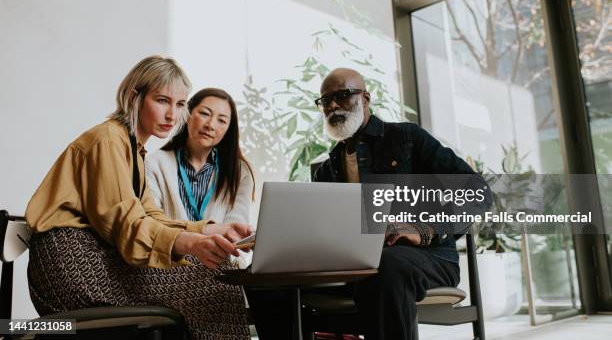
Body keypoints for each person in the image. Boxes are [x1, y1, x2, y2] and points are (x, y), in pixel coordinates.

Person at [247, 67, 490, 340]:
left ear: (365, 98)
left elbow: (477, 191)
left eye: (343, 95)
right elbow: (322, 230)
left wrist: (424, 230)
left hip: (426, 259)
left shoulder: (408, 138)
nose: (334, 105)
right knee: (264, 278)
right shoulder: (328, 169)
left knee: (384, 268)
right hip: (354, 268)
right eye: (326, 101)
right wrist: (279, 242)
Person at [25, 56, 252, 340]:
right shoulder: (108, 140)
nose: (172, 115)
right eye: (162, 101)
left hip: (92, 256)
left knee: (212, 274)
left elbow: (150, 217)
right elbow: (129, 226)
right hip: (69, 266)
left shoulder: (132, 148)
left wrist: (209, 229)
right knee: (212, 282)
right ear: (135, 97)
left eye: (180, 104)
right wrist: (192, 243)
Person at [146, 87, 255, 267]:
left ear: (229, 129)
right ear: (187, 114)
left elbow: (235, 234)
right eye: (204, 113)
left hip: (218, 266)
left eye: (222, 120)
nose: (210, 125)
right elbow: (153, 225)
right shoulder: (155, 163)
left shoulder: (240, 171)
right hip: (170, 265)